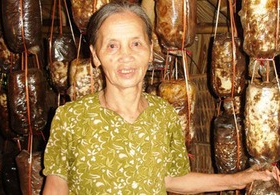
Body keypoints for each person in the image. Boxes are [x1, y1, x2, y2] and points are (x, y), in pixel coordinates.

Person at [42, 1, 279, 194]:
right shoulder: (70, 117)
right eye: (112, 46)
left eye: (136, 43)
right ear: (95, 55)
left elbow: (172, 179)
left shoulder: (163, 113)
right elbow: (56, 186)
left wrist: (237, 180)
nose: (126, 56)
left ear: (149, 49)